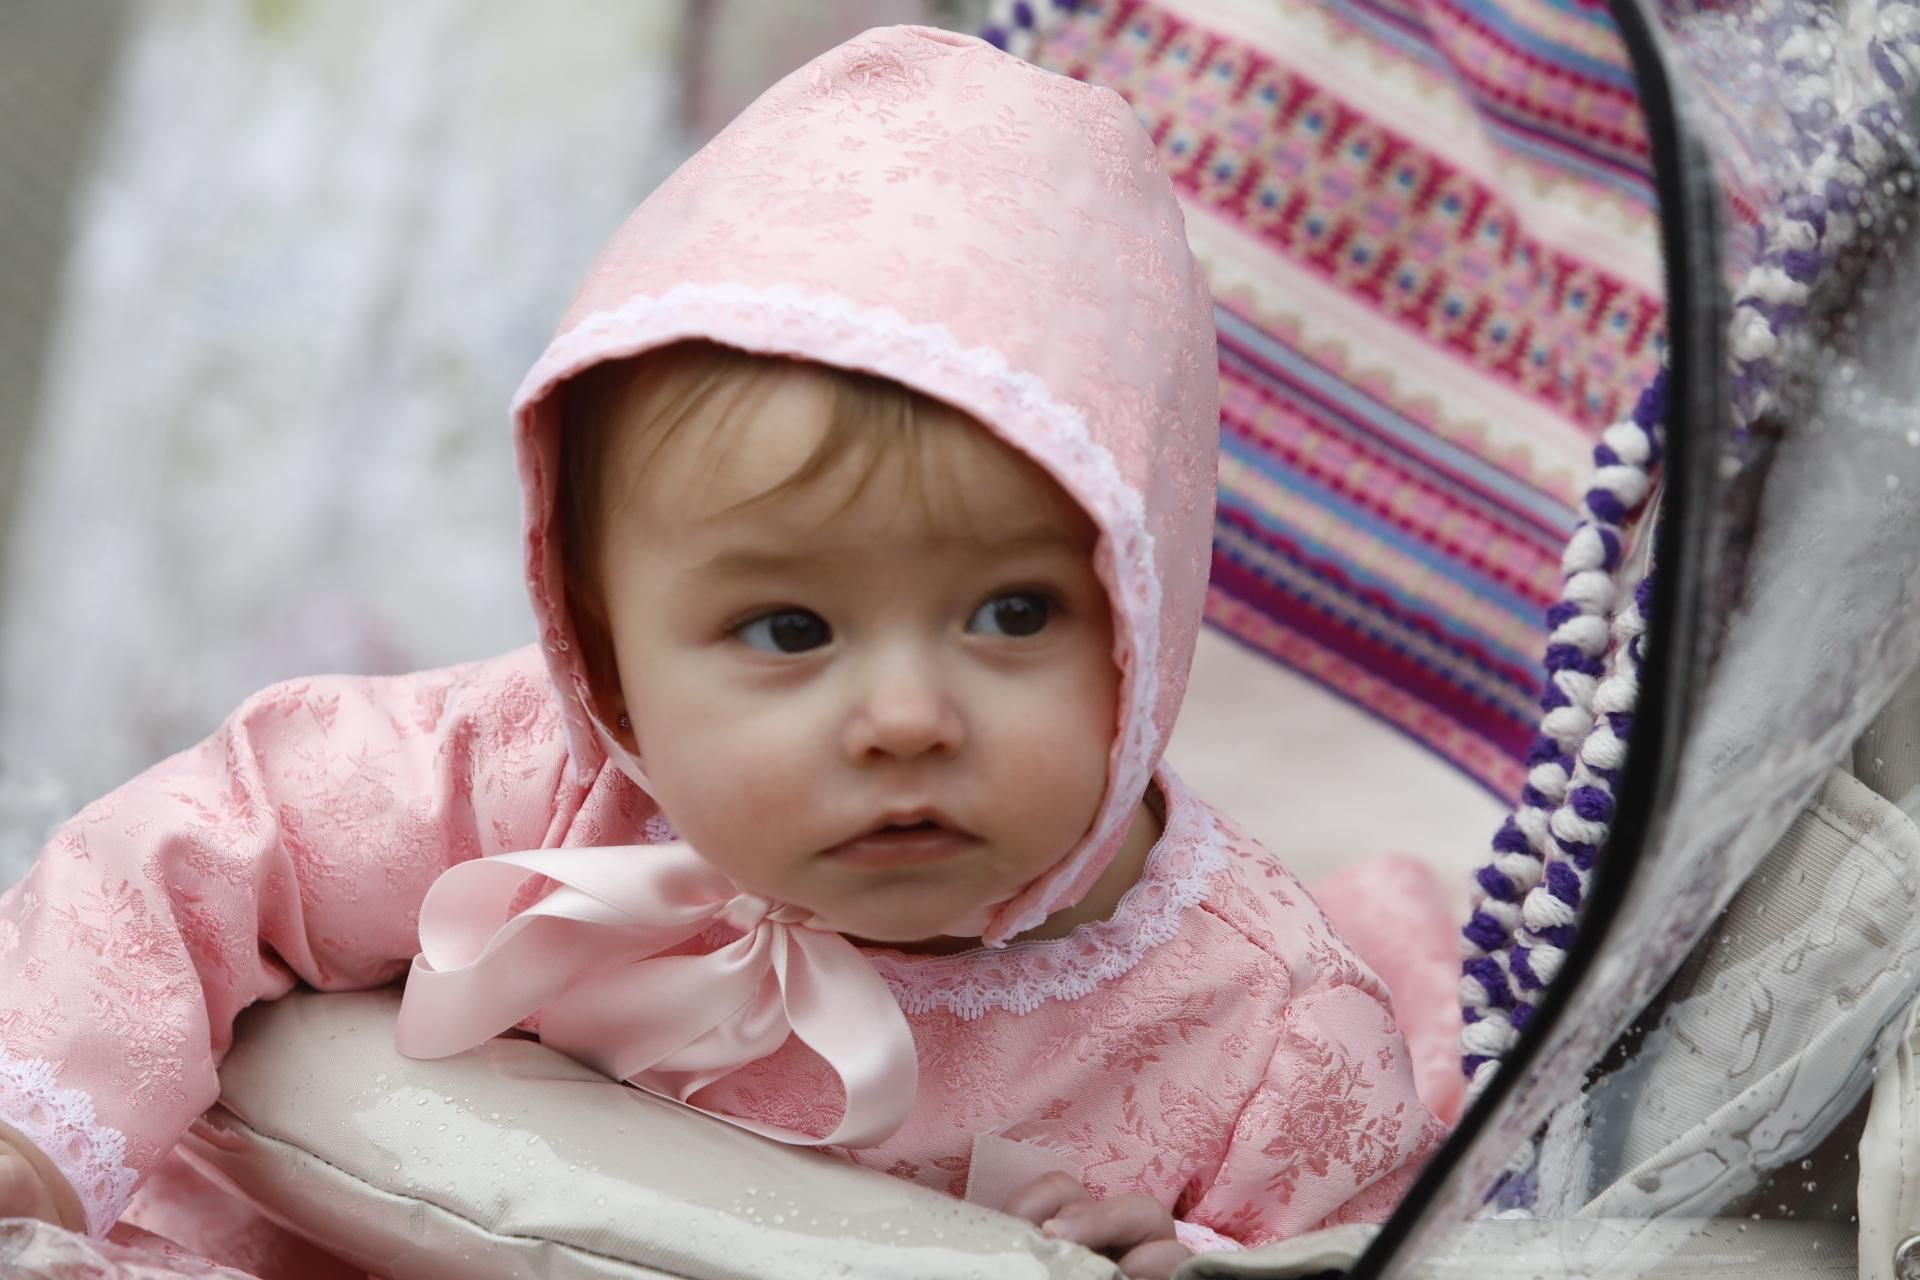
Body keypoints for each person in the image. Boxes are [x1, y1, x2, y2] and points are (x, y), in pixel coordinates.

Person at [0, 26, 1443, 1278]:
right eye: (789, 629)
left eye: (1014, 614)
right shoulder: (523, 775)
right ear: (609, 659)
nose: (904, 715)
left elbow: (1338, 1236)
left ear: (1148, 618)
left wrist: (1187, 1262)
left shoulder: (1264, 1045)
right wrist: (39, 1137)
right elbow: (191, 854)